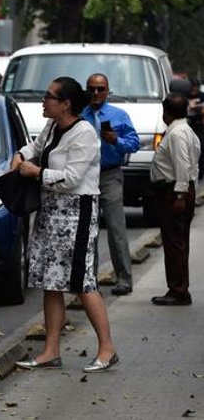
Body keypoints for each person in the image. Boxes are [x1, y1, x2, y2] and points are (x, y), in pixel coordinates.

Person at [13, 76, 118, 373]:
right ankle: (50, 350)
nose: (43, 102)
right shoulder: (51, 127)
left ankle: (107, 348)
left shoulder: (84, 133)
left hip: (77, 212)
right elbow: (35, 147)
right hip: (50, 212)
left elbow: (71, 178)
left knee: (82, 282)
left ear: (66, 104)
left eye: (48, 97)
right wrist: (20, 155)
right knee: (50, 282)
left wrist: (36, 172)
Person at [81, 73, 140, 296]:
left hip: (109, 175)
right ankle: (89, 280)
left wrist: (115, 139)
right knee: (89, 230)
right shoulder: (79, 115)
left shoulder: (119, 115)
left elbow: (134, 144)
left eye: (100, 89)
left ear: (107, 91)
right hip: (85, 176)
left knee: (116, 229)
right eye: (92, 89)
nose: (96, 93)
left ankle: (124, 278)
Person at [150, 92, 200, 306]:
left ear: (166, 112)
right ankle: (178, 288)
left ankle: (178, 291)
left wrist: (180, 194)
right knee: (178, 242)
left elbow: (183, 165)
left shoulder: (178, 134)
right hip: (178, 190)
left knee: (174, 243)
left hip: (174, 192)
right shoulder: (186, 130)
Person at [187, 78, 204, 179]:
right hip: (188, 124)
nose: (194, 90)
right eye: (193, 88)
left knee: (201, 147)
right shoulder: (185, 95)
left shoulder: (202, 96)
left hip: (199, 124)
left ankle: (201, 172)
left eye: (196, 88)